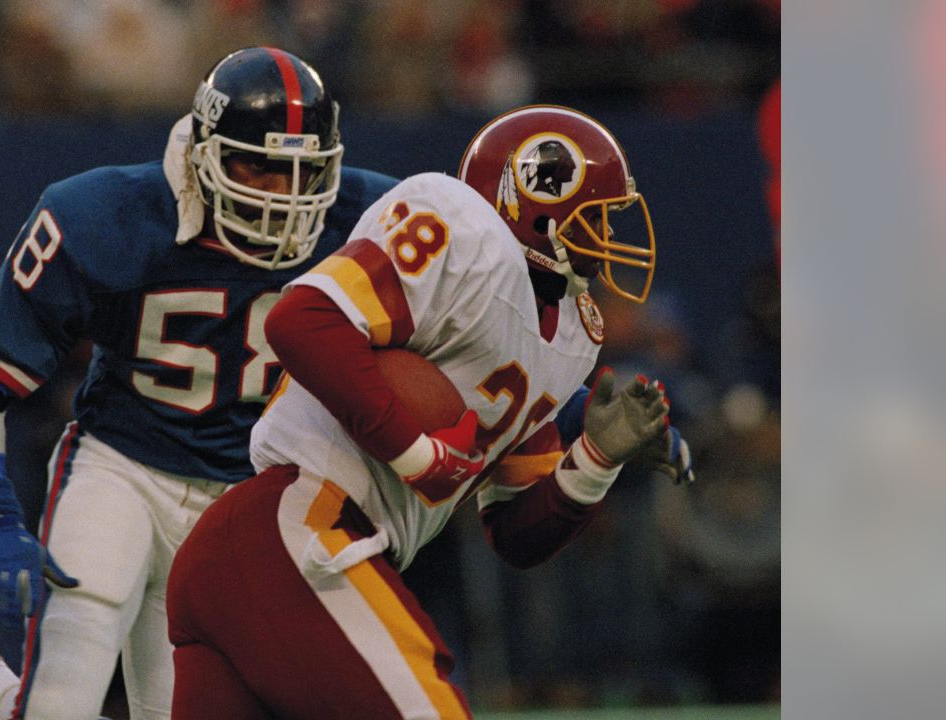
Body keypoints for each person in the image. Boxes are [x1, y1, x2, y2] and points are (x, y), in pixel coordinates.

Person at [166, 105, 694, 719]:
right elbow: (303, 320)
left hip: (271, 559)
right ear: (534, 197)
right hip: (296, 526)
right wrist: (417, 454)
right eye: (593, 215)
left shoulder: (574, 336)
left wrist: (595, 461)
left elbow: (516, 535)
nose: (605, 233)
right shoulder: (463, 227)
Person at [0, 47, 399, 720]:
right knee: (60, 701)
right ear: (205, 152)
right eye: (257, 166)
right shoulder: (107, 215)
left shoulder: (374, 218)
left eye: (302, 173)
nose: (279, 195)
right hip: (123, 469)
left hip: (245, 504)